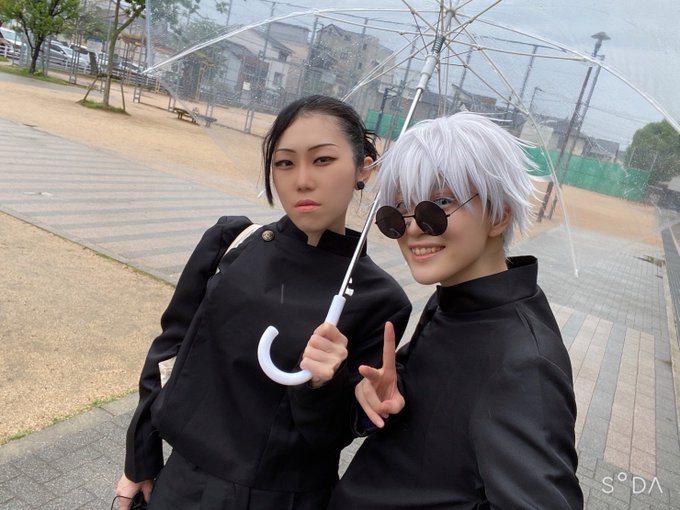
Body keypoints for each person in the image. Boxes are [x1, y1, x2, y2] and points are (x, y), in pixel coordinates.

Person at [114, 95, 411, 510]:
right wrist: (140, 459)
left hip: (286, 500)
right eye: (284, 163)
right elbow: (169, 352)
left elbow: (334, 434)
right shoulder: (232, 243)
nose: (302, 180)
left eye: (323, 160)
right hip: (183, 485)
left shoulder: (381, 300)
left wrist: (324, 384)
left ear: (364, 167)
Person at [328, 112, 583, 509]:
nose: (413, 228)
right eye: (398, 212)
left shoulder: (524, 363)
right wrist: (380, 397)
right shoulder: (452, 300)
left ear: (498, 215)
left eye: (440, 203)